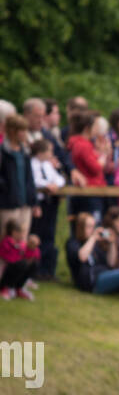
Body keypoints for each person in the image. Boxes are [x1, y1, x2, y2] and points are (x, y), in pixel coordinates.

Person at [0, 114, 40, 239]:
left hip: (25, 204)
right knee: (6, 240)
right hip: (8, 204)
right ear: (13, 131)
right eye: (22, 130)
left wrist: (34, 202)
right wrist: (6, 188)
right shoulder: (3, 152)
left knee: (22, 241)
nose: (25, 134)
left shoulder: (25, 152)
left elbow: (29, 178)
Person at [29, 136, 65, 278]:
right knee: (37, 233)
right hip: (39, 203)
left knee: (48, 235)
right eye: (49, 150)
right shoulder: (33, 164)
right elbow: (34, 180)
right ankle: (33, 268)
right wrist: (46, 185)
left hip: (50, 203)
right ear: (40, 152)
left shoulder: (47, 165)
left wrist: (55, 184)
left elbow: (59, 179)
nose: (51, 153)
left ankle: (46, 269)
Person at [66, 110, 110, 217]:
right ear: (87, 128)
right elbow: (95, 168)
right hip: (89, 192)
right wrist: (104, 155)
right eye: (95, 126)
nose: (97, 129)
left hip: (89, 191)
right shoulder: (83, 145)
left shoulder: (81, 143)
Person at [0, 222, 40, 299]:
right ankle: (5, 288)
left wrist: (33, 247)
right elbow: (6, 256)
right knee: (22, 264)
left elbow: (33, 255)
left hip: (16, 266)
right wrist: (16, 248)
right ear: (14, 233)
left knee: (34, 264)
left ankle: (18, 288)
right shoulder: (7, 242)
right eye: (21, 233)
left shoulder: (21, 243)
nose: (23, 236)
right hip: (6, 267)